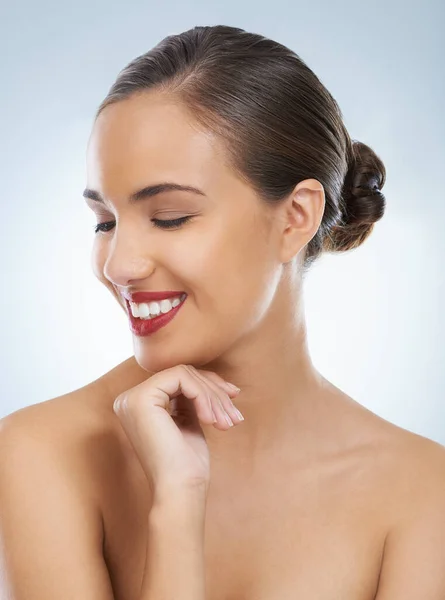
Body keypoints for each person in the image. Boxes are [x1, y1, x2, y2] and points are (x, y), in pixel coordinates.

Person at [1, 24, 445, 600]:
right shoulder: (42, 454)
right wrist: (177, 506)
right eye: (105, 222)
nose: (119, 264)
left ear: (296, 218)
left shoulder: (421, 491)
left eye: (169, 217)